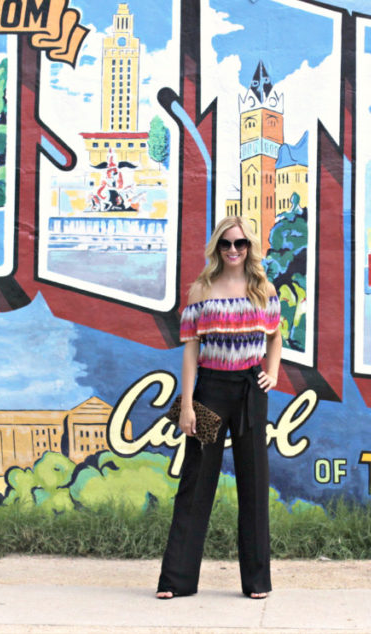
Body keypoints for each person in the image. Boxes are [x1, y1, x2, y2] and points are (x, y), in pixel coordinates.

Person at [156, 216, 282, 600]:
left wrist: (272, 373)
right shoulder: (201, 290)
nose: (232, 250)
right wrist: (189, 403)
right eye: (226, 244)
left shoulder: (264, 289)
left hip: (249, 391)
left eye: (240, 244)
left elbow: (275, 336)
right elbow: (191, 350)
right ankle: (176, 581)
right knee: (196, 483)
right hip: (210, 390)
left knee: (255, 484)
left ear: (250, 248)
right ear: (216, 248)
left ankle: (257, 582)